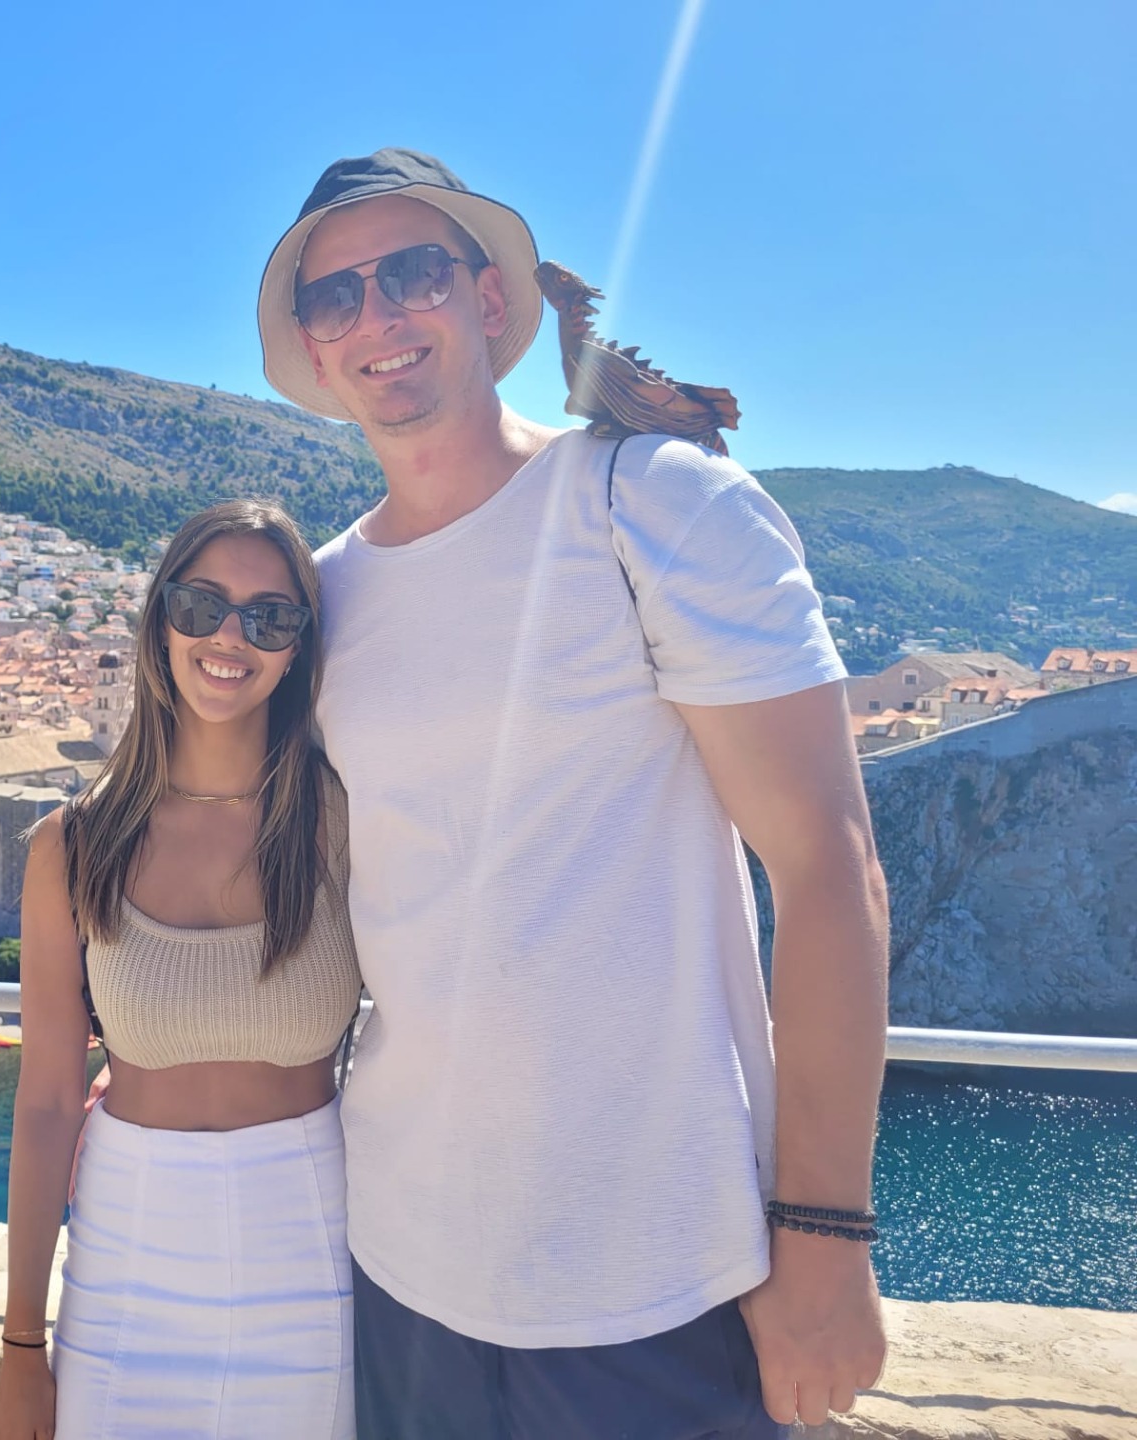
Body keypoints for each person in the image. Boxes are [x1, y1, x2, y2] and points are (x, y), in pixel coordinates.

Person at [254, 150, 891, 1437]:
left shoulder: (651, 503)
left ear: (490, 300)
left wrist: (825, 1234)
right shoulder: (323, 597)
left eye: (414, 272)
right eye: (336, 295)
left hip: (661, 1279)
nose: (378, 314)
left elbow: (828, 868)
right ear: (317, 349)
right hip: (403, 1263)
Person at [0, 499, 364, 1440]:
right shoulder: (74, 846)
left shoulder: (343, 822)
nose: (229, 636)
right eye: (201, 605)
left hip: (310, 1236)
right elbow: (46, 1102)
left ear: (297, 647)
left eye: (269, 617)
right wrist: (22, 1345)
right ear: (161, 620)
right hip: (128, 1243)